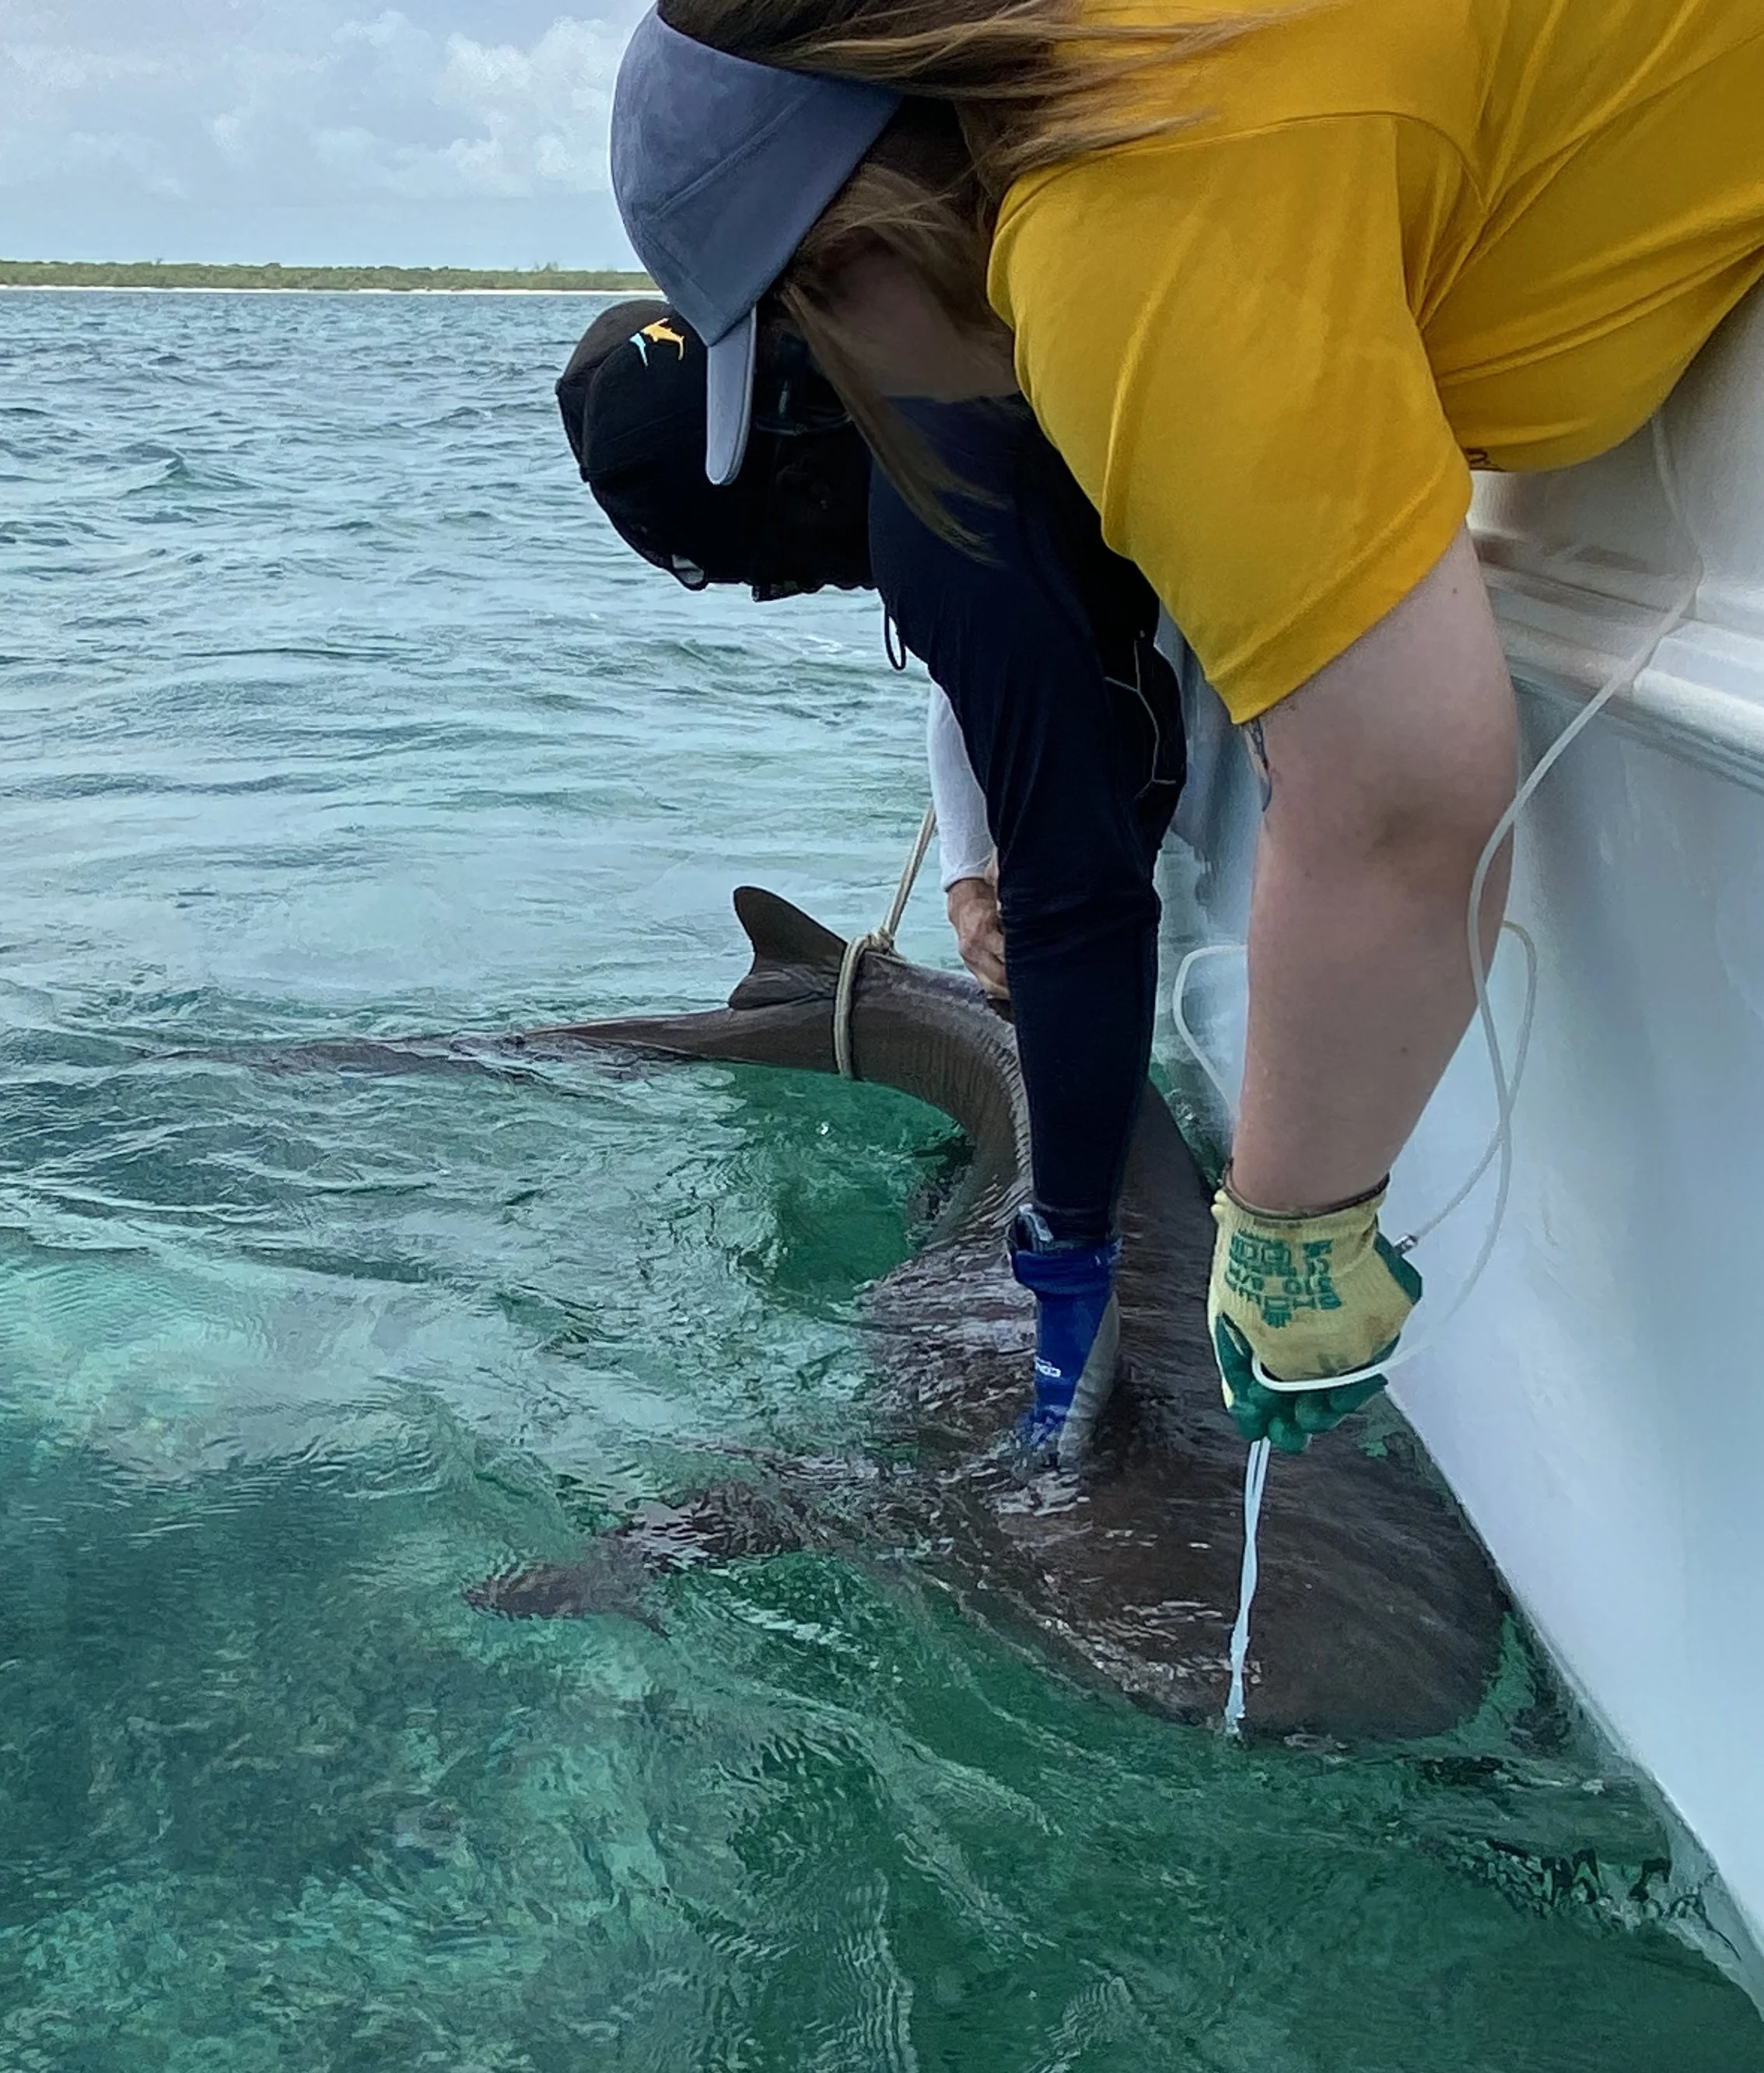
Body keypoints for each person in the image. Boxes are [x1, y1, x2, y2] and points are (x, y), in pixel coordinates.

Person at [605, 0, 1764, 1451]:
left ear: (855, 246)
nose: (855, 385)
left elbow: (1399, 805)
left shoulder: (1117, 228)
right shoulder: (1150, 81)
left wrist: (1290, 1232)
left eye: (812, 334)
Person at [555, 299, 1184, 1465]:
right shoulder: (924, 405)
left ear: (783, 465)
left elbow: (1089, 901)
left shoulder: (933, 490)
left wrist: (1072, 1260)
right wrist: (967, 875)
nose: (798, 586)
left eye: (767, 560)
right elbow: (971, 650)